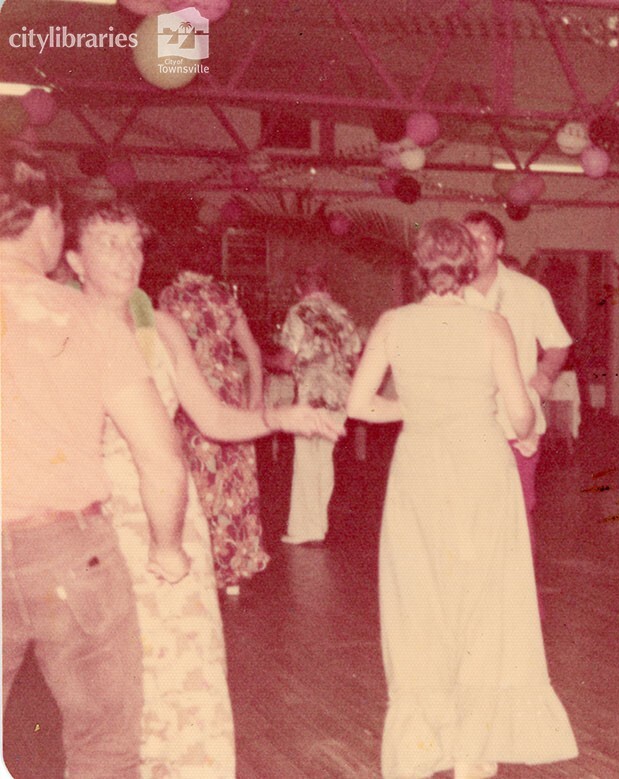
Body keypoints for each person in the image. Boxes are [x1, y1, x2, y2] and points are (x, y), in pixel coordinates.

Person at [64, 200, 346, 777]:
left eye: (134, 244)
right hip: (98, 510)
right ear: (73, 258)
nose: (127, 257)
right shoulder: (62, 325)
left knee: (185, 658)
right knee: (114, 669)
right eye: (109, 244)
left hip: (171, 507)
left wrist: (281, 417)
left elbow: (213, 419)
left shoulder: (162, 326)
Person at [346, 218, 578, 779]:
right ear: (468, 267)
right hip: (480, 466)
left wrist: (418, 408)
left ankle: (422, 747)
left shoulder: (393, 323)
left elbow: (361, 406)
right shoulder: (491, 325)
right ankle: (476, 749)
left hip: (420, 469)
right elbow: (522, 415)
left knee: (420, 600)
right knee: (484, 598)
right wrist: (490, 414)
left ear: (420, 267)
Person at [1, 148, 189, 777]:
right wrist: (168, 547)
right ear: (49, 222)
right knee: (102, 744)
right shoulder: (88, 319)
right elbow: (161, 459)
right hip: (68, 552)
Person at [461, 210, 572, 557]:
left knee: (516, 515)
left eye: (483, 239)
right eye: (468, 240)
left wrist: (540, 384)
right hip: (463, 426)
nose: (475, 247)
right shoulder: (450, 293)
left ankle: (518, 604)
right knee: (466, 515)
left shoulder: (529, 292)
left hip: (515, 424)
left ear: (499, 245)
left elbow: (558, 345)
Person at [158, 267, 269, 594]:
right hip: (229, 392)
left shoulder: (170, 298)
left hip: (192, 395)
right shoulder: (224, 297)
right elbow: (252, 353)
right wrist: (256, 399)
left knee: (200, 480)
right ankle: (235, 567)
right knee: (235, 480)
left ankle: (203, 564)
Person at [268, 264, 362, 546]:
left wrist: (260, 358)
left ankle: (304, 529)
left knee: (307, 460)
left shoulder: (298, 312)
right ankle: (317, 525)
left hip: (311, 395)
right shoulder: (342, 313)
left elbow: (285, 361)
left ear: (299, 288)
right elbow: (356, 362)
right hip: (339, 397)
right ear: (325, 286)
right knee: (323, 460)